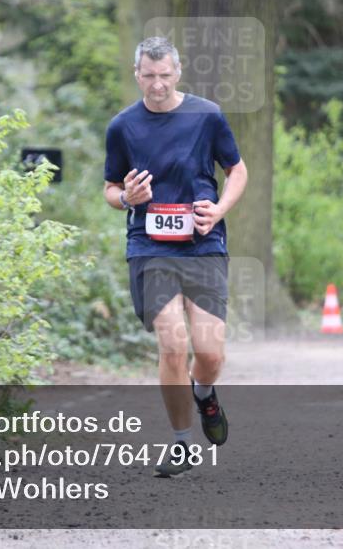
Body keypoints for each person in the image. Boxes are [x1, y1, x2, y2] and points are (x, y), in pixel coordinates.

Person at [103, 36, 248, 477]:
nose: (157, 84)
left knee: (209, 353)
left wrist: (219, 210)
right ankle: (182, 443)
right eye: (148, 75)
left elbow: (237, 170)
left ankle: (204, 393)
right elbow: (110, 189)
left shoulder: (207, 116)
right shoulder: (122, 126)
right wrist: (127, 198)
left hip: (203, 244)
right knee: (172, 342)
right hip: (149, 248)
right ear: (137, 74)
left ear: (178, 72)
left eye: (165, 75)